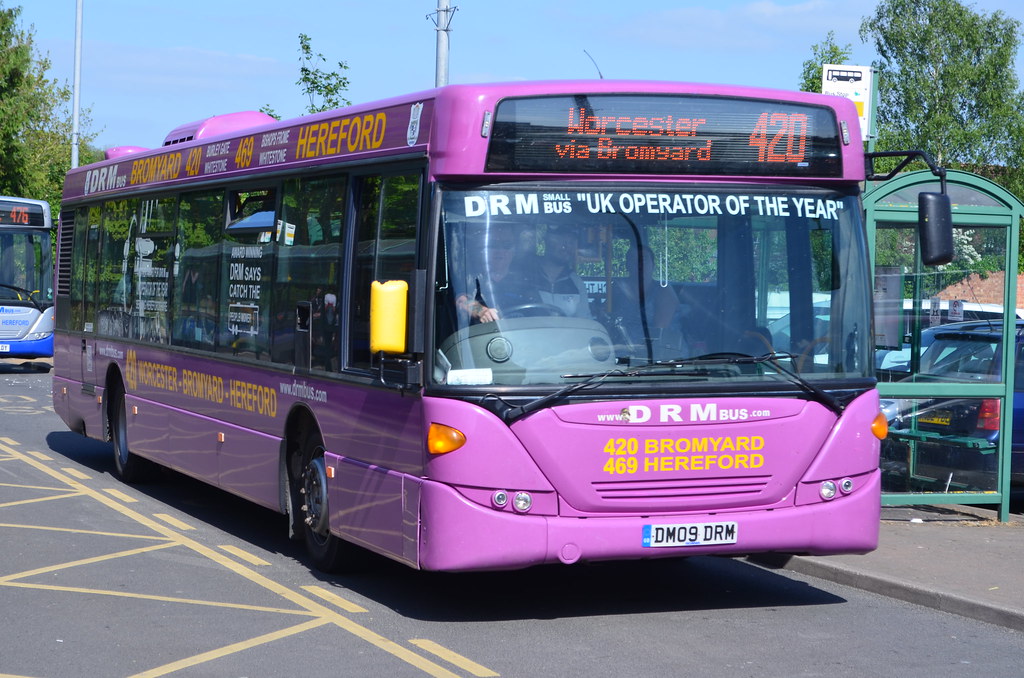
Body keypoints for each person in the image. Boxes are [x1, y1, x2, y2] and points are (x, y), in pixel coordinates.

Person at [505, 224, 592, 318]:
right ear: (547, 241)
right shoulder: (525, 276)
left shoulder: (576, 282)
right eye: (561, 241)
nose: (566, 247)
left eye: (571, 242)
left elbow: (584, 319)